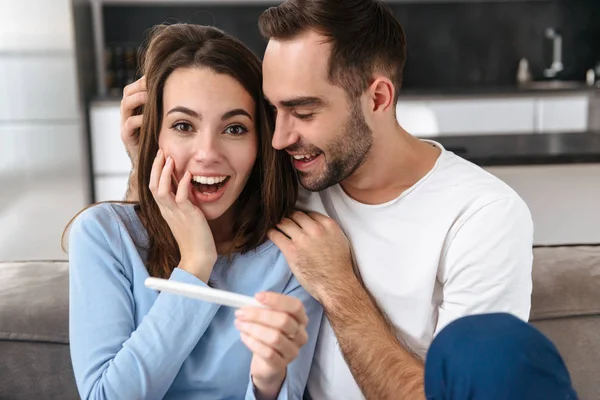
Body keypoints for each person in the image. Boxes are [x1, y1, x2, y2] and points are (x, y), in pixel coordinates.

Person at [119, 1, 577, 399]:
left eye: (303, 111)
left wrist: (339, 286)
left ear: (377, 97)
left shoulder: (481, 216)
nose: (279, 137)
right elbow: (168, 234)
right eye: (272, 110)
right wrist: (143, 164)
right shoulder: (290, 179)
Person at [66, 23, 322, 400]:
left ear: (261, 143)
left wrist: (268, 381)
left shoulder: (295, 253)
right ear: (155, 136)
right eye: (183, 125)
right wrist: (196, 262)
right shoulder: (104, 236)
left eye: (234, 129)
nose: (207, 153)